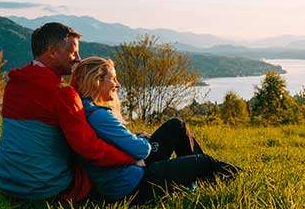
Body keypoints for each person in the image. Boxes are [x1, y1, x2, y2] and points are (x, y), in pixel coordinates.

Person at [0, 23, 137, 200]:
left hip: (5, 181)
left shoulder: (14, 84)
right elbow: (90, 149)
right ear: (52, 52)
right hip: (44, 187)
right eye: (73, 52)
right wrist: (130, 157)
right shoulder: (62, 93)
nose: (78, 59)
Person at [69, 56, 239, 201]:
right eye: (112, 79)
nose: (117, 84)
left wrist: (138, 138)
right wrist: (143, 140)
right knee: (203, 162)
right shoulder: (100, 116)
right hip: (133, 186)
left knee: (176, 125)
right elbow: (141, 150)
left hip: (129, 175)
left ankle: (191, 183)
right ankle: (240, 177)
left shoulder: (85, 108)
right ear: (97, 81)